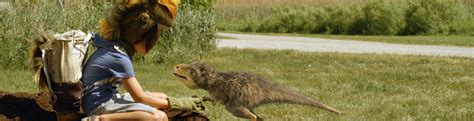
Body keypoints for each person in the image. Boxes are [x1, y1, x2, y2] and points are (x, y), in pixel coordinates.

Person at [81, 0, 206, 120]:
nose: (154, 43)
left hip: (105, 99)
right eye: (152, 38)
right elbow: (139, 97)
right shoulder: (118, 57)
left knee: (162, 96)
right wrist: (177, 103)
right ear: (139, 34)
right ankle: (101, 119)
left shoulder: (115, 49)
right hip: (97, 107)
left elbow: (139, 95)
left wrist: (170, 101)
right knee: (158, 117)